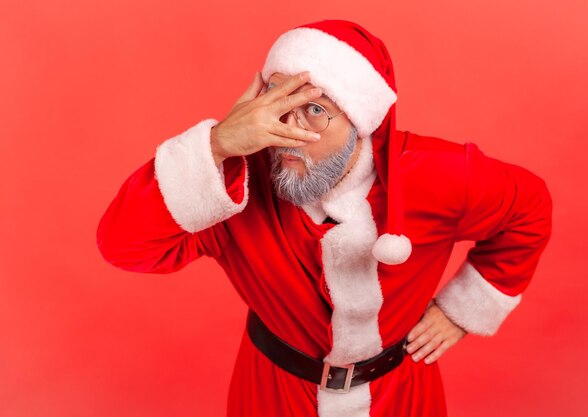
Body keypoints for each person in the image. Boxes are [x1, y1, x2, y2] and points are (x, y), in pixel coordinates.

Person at [96, 19, 552, 417]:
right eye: (276, 101)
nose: (288, 133)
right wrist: (215, 144)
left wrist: (462, 310)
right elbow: (123, 246)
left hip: (400, 394)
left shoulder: (438, 177)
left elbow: (528, 207)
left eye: (315, 110)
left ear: (361, 121)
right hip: (273, 394)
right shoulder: (230, 185)